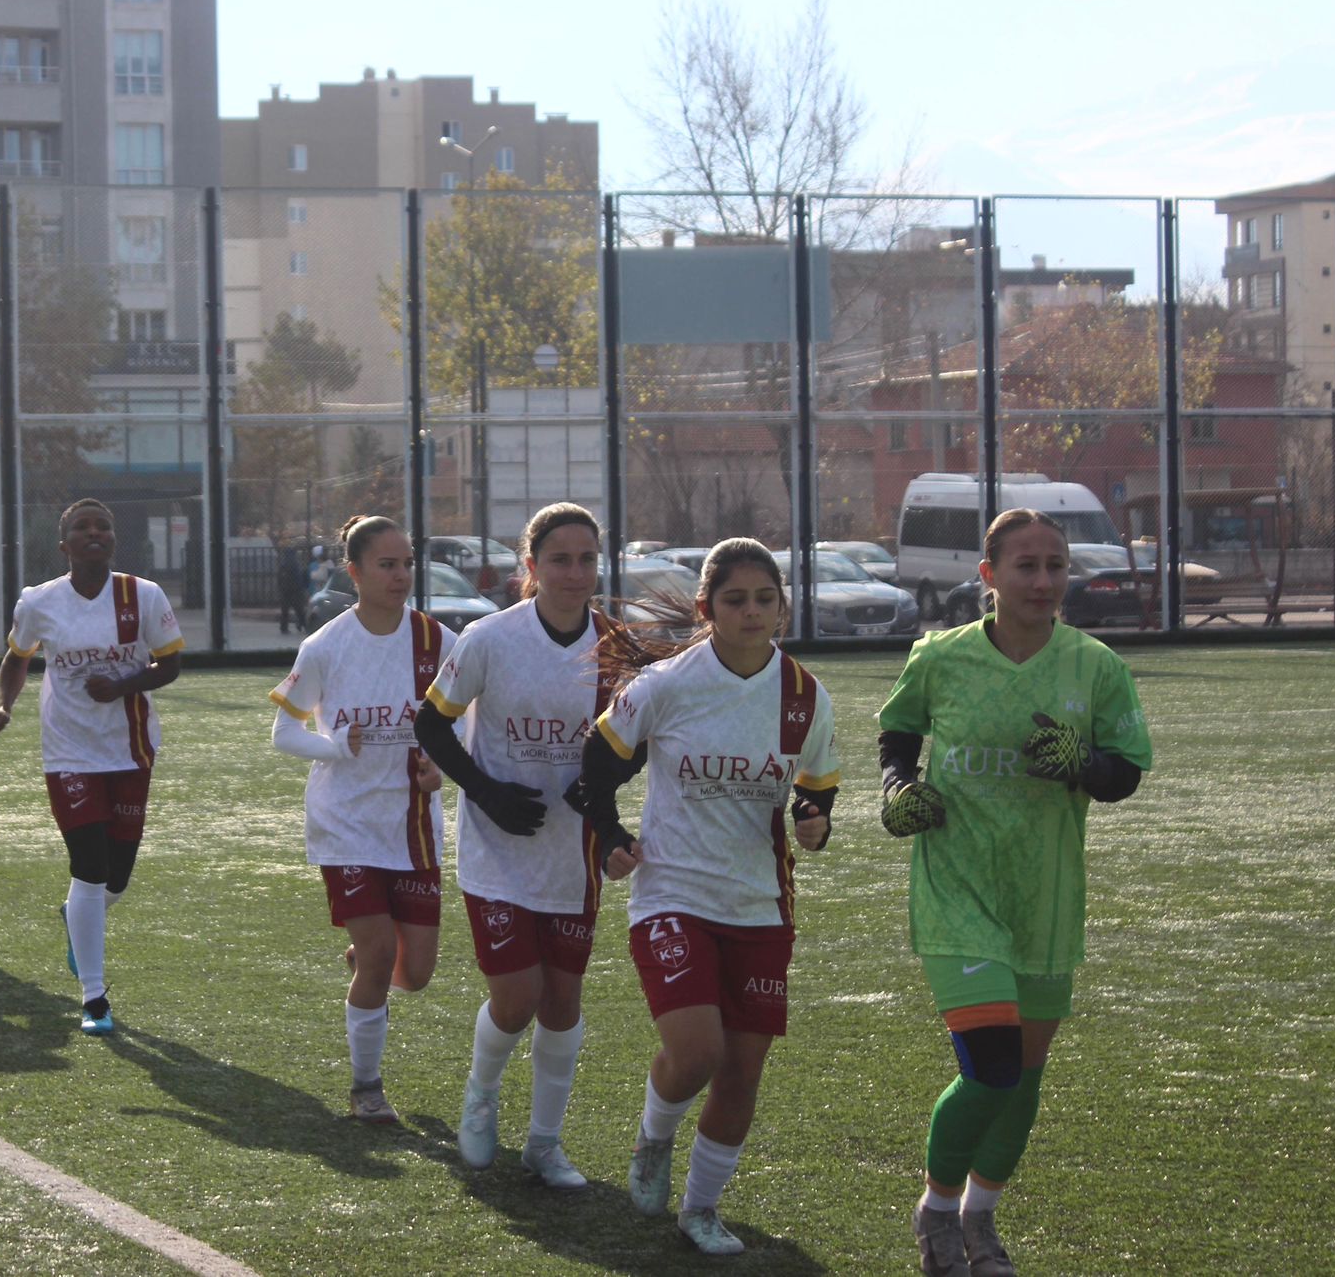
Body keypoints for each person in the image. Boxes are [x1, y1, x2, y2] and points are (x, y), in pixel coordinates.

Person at [877, 509, 1152, 1277]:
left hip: (1046, 896)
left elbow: (1125, 772)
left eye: (1055, 565)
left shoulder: (1094, 666)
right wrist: (898, 787)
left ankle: (981, 1216)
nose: (1043, 580)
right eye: (1025, 566)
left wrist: (1084, 763)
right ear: (989, 576)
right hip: (957, 887)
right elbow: (898, 733)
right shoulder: (941, 657)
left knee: (1024, 1076)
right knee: (991, 1066)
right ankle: (937, 1210)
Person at [572, 537, 840, 1256]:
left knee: (742, 1072)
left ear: (782, 606)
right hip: (673, 894)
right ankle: (654, 1137)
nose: (753, 612)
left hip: (761, 906)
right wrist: (610, 833)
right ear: (706, 608)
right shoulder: (664, 685)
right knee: (696, 1052)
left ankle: (701, 1209)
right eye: (735, 599)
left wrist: (815, 824)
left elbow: (817, 797)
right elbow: (595, 766)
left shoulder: (806, 697)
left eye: (765, 599)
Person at [412, 502, 619, 1189]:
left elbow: (635, 742)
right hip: (496, 849)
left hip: (572, 855)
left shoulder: (615, 646)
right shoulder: (489, 639)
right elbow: (431, 724)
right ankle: (481, 1094)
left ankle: (545, 1143)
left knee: (562, 1002)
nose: (575, 573)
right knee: (517, 997)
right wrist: (485, 791)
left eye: (587, 559)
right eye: (560, 559)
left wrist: (603, 797)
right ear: (530, 566)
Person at [269, 515, 449, 1123]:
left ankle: (366, 965)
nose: (400, 575)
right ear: (355, 572)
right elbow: (284, 732)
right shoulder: (325, 646)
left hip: (414, 828)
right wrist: (334, 746)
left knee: (415, 973)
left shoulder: (439, 643)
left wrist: (442, 769)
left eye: (407, 564)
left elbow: (468, 728)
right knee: (378, 954)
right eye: (386, 565)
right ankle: (366, 1088)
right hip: (346, 825)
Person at [0, 499, 184, 1036]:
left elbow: (171, 664)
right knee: (89, 867)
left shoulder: (143, 595)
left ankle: (77, 916)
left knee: (115, 877)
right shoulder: (39, 601)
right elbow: (18, 656)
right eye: (82, 527)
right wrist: (5, 706)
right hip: (69, 752)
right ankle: (94, 998)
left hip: (130, 750)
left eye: (104, 526)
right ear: (64, 545)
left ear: (114, 539)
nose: (95, 533)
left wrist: (123, 684)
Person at [276, 537, 310, 634]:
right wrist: (303, 587)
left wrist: (280, 588)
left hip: (285, 591)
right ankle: (305, 626)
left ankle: (283, 627)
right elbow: (303, 577)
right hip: (296, 590)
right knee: (299, 610)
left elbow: (279, 578)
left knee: (285, 610)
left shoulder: (283, 564)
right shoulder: (297, 564)